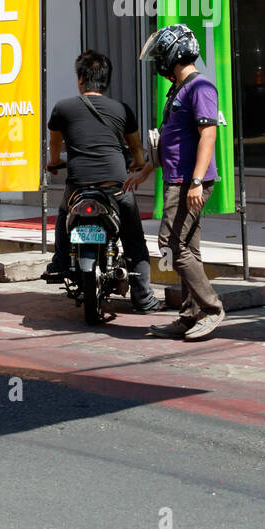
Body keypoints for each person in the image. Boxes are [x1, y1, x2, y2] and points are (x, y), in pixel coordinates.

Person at [126, 24, 225, 342]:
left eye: (161, 56)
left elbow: (207, 135)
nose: (159, 64)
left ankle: (211, 309)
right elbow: (171, 139)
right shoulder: (178, 90)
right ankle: (189, 315)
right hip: (177, 179)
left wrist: (196, 181)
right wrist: (146, 171)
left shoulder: (201, 87)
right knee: (188, 249)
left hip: (188, 183)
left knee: (172, 244)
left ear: (175, 54)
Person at [45, 49, 162, 315]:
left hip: (79, 184)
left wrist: (53, 163)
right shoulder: (121, 109)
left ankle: (61, 261)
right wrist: (137, 164)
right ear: (106, 81)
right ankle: (144, 299)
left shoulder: (62, 108)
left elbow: (54, 143)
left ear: (80, 79)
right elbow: (137, 150)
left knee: (64, 214)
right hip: (115, 185)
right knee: (133, 239)